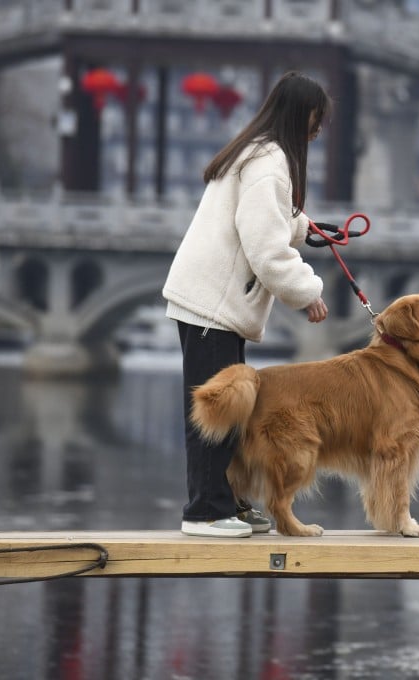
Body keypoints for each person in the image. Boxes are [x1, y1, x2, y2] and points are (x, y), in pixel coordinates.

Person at [162, 71, 332, 538]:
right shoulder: (270, 163)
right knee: (214, 412)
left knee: (231, 410)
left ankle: (228, 503)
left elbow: (272, 220)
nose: (316, 131)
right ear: (301, 115)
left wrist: (309, 229)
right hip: (212, 305)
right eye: (315, 120)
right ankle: (204, 512)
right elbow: (265, 249)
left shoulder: (257, 151)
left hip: (213, 304)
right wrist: (309, 292)